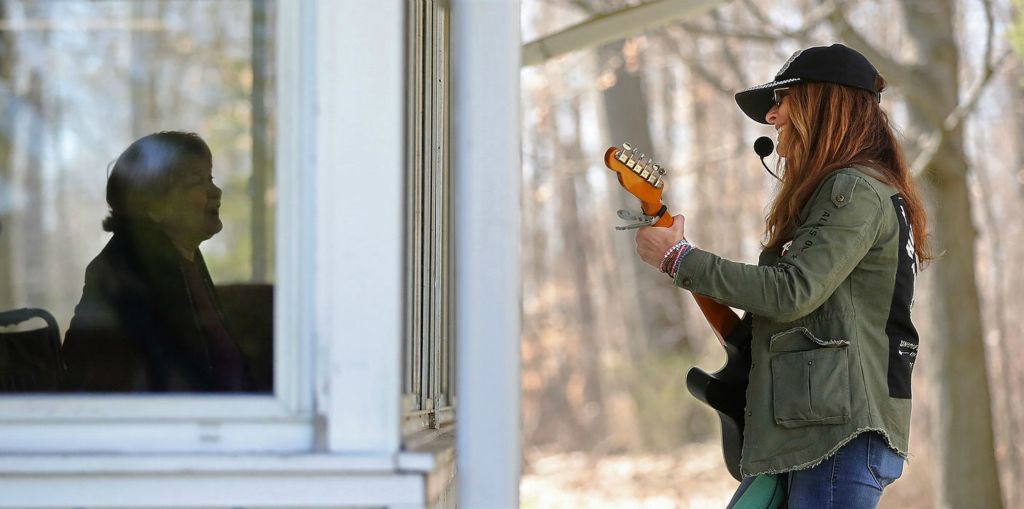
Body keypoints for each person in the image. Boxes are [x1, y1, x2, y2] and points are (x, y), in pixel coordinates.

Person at [635, 44, 930, 508]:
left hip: (836, 436)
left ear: (824, 103)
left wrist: (679, 259)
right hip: (818, 430)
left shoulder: (852, 188)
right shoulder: (861, 188)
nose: (772, 117)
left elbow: (790, 292)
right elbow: (800, 313)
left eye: (782, 100)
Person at [62, 131, 252, 392]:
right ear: (152, 203)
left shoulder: (184, 256)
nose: (216, 191)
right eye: (198, 181)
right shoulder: (129, 271)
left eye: (210, 178)